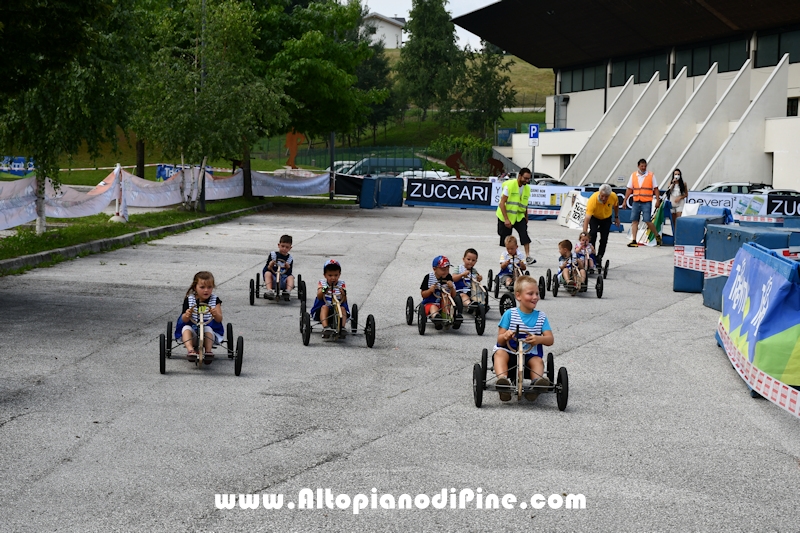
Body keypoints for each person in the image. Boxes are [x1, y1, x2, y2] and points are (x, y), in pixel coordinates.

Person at [493, 275, 554, 402]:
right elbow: (499, 340)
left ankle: (536, 384)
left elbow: (550, 339)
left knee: (538, 361)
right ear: (518, 296)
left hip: (529, 355)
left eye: (537, 293)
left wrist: (539, 339)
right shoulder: (510, 314)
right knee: (500, 353)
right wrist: (506, 336)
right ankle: (502, 381)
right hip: (510, 354)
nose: (535, 297)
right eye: (530, 294)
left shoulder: (541, 317)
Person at [175, 271, 224, 363]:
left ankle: (208, 352)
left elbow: (219, 319)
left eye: (209, 287)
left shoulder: (215, 300)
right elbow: (183, 319)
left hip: (209, 335)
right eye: (202, 287)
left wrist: (215, 314)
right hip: (192, 333)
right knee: (186, 328)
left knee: (208, 329)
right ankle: (190, 350)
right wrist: (187, 315)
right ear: (195, 287)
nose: (206, 290)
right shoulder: (189, 300)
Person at [497, 168, 536, 265]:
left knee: (524, 234)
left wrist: (526, 217)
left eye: (528, 179)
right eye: (525, 178)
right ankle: (507, 257)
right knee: (505, 238)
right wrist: (506, 219)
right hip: (506, 216)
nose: (527, 181)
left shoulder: (527, 188)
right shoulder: (509, 186)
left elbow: (525, 204)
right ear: (519, 176)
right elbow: (502, 203)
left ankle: (527, 257)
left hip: (518, 216)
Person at [622, 158, 662, 247]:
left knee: (647, 220)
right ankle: (634, 240)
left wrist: (658, 200)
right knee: (634, 221)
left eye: (645, 166)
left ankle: (657, 235)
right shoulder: (633, 176)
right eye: (642, 166)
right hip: (636, 201)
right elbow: (629, 189)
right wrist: (625, 200)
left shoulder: (651, 175)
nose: (643, 168)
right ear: (638, 166)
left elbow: (656, 189)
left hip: (646, 201)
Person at [310, 259, 348, 338]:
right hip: (324, 303)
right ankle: (326, 327)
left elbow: (344, 300)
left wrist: (343, 294)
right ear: (325, 275)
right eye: (330, 275)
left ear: (339, 275)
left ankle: (342, 328)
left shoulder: (342, 284)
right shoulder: (322, 282)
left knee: (343, 309)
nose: (333, 278)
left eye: (336, 275)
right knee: (324, 307)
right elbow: (319, 296)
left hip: (338, 303)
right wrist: (324, 289)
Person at [582, 183, 619, 262]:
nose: (604, 198)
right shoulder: (593, 200)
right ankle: (592, 255)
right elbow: (587, 218)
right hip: (594, 217)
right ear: (599, 193)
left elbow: (616, 205)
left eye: (606, 196)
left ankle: (600, 257)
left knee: (604, 238)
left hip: (606, 218)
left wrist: (616, 217)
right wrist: (584, 233)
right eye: (602, 196)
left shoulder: (613, 196)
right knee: (593, 234)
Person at [420, 255, 458, 330]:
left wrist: (451, 287)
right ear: (435, 269)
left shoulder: (449, 277)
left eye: (448, 269)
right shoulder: (429, 277)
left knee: (451, 307)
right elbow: (423, 295)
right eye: (443, 269)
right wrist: (430, 290)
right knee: (433, 307)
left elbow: (454, 295)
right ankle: (436, 319)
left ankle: (455, 318)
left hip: (445, 303)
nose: (446, 272)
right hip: (431, 302)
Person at [263, 234, 295, 300]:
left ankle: (287, 291)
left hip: (283, 278)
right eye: (282, 246)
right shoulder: (273, 255)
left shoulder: (289, 259)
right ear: (279, 245)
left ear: (290, 248)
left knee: (291, 277)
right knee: (267, 273)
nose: (284, 249)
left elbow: (289, 273)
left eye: (287, 247)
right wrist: (270, 265)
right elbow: (266, 269)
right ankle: (269, 291)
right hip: (273, 277)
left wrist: (288, 267)